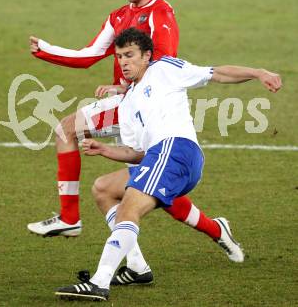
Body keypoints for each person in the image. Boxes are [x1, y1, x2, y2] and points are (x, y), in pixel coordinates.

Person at [55, 28, 282, 301]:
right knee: (104, 189)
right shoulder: (127, 103)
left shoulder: (163, 68)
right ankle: (138, 267)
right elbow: (137, 153)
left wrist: (258, 72)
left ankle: (99, 282)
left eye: (129, 55)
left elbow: (216, 73)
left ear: (147, 55)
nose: (123, 62)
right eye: (119, 57)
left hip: (177, 150)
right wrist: (105, 149)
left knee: (129, 209)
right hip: (160, 156)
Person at [27, 0, 225, 251]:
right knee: (153, 186)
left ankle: (69, 218)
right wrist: (45, 49)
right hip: (128, 104)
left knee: (68, 131)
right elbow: (89, 55)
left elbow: (164, 63)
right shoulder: (119, 16)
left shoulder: (161, 13)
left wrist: (124, 89)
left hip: (142, 107)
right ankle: (208, 232)